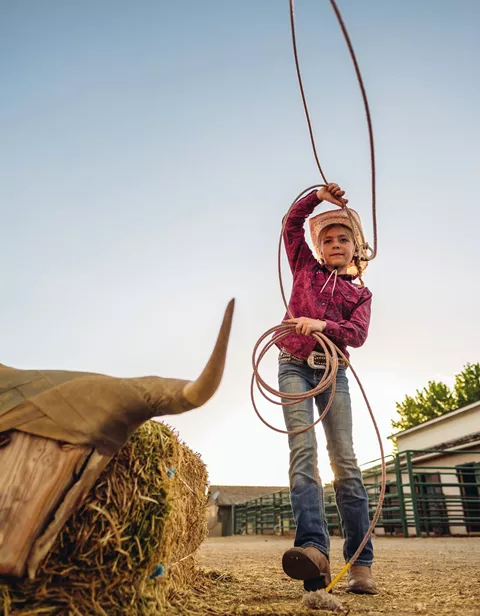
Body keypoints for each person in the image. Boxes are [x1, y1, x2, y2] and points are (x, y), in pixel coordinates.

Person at [278, 182, 377, 595]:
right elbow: (291, 223)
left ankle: (360, 563)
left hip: (333, 371)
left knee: (346, 462)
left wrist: (323, 326)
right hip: (292, 365)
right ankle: (314, 553)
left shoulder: (361, 293)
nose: (335, 244)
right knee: (303, 453)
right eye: (329, 239)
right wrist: (319, 196)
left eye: (343, 239)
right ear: (318, 249)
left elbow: (356, 334)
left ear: (357, 249)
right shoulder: (304, 267)